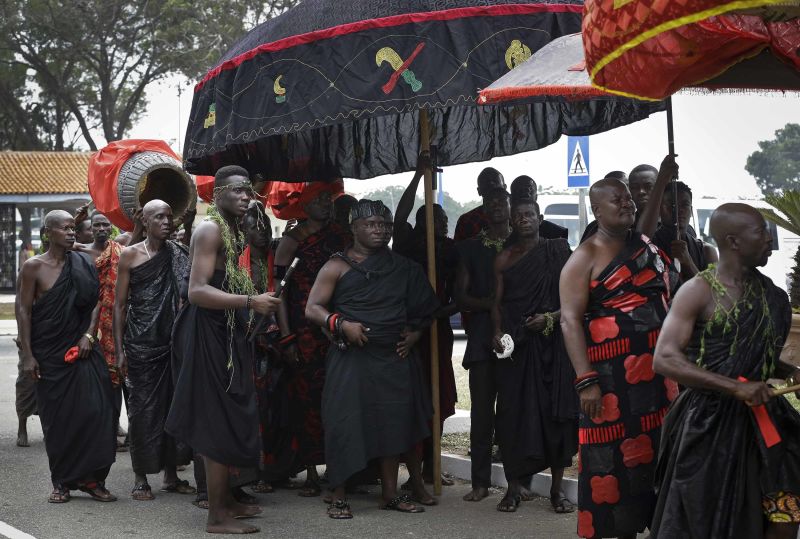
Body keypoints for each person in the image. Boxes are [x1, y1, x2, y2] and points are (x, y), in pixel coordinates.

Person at [651, 203, 800, 539]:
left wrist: (791, 371)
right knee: (709, 524)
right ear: (733, 241)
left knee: (785, 519)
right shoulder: (698, 291)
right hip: (707, 427)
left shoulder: (773, 296)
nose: (769, 241)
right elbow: (665, 359)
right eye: (761, 233)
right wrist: (733, 386)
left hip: (767, 426)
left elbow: (757, 354)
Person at [559, 156, 679, 539]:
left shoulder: (640, 241)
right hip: (610, 385)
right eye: (617, 200)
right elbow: (569, 321)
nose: (627, 203)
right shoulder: (584, 258)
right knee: (616, 464)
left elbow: (646, 225)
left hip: (659, 379)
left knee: (660, 456)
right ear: (596, 208)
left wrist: (662, 179)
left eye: (628, 198)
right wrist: (585, 381)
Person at [306, 199, 439, 519]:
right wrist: (341, 324)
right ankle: (338, 494)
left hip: (393, 356)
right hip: (351, 357)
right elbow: (313, 308)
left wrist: (416, 334)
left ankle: (390, 494)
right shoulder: (337, 265)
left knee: (393, 424)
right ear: (354, 229)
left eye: (385, 225)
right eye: (371, 225)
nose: (380, 231)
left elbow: (426, 310)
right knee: (345, 423)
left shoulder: (404, 267)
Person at [165, 165, 281, 534]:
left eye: (249, 191)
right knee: (216, 420)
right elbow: (196, 291)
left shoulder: (233, 230)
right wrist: (250, 301)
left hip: (226, 332)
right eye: (237, 190)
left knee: (232, 415)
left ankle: (228, 499)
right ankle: (216, 515)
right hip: (206, 335)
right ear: (217, 195)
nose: (246, 196)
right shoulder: (211, 228)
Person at [15, 210, 117, 504]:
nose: (72, 233)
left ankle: (93, 480)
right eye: (65, 228)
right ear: (49, 233)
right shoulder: (33, 267)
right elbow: (24, 310)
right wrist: (28, 356)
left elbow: (96, 302)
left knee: (100, 413)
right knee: (58, 421)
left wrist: (88, 335)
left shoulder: (83, 262)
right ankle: (61, 482)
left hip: (83, 348)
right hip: (49, 355)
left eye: (74, 228)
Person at [491, 198, 578, 514]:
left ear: (540, 218)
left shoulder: (558, 251)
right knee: (513, 415)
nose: (524, 219)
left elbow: (576, 297)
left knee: (555, 417)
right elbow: (496, 304)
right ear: (512, 222)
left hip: (554, 344)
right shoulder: (504, 258)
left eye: (529, 214)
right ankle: (512, 489)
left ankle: (557, 491)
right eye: (518, 216)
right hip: (518, 343)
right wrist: (497, 333)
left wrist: (550, 318)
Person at [114, 200, 193, 501]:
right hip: (141, 344)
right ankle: (140, 476)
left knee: (174, 408)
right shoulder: (130, 256)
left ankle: (171, 475)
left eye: (168, 216)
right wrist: (120, 349)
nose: (166, 222)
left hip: (174, 342)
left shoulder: (179, 253)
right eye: (158, 217)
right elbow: (120, 306)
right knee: (143, 411)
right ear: (144, 222)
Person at [273, 186, 350, 497]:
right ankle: (310, 472)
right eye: (318, 199)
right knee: (306, 402)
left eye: (326, 199)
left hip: (337, 327)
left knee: (337, 399)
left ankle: (339, 467)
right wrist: (287, 336)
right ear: (303, 204)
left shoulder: (339, 235)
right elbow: (279, 292)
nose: (324, 204)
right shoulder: (293, 240)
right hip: (303, 330)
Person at [392, 160, 459, 486]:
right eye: (437, 219)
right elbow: (400, 215)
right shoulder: (407, 242)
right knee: (414, 396)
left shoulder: (449, 249)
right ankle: (415, 468)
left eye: (445, 219)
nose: (443, 223)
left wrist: (441, 312)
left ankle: (433, 463)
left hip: (438, 328)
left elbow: (460, 290)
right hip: (410, 329)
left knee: (440, 395)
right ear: (424, 223)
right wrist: (418, 175)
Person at [454, 187, 511, 502]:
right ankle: (480, 483)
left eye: (502, 201)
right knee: (482, 414)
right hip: (479, 338)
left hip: (517, 338)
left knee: (514, 411)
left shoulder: (523, 243)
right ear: (483, 210)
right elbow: (460, 296)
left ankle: (518, 482)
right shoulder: (469, 249)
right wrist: (489, 305)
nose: (497, 207)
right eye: (491, 202)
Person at [651, 181, 718, 283]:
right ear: (659, 209)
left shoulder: (706, 251)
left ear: (691, 211)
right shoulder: (649, 247)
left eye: (685, 205)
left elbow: (715, 295)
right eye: (671, 205)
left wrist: (688, 263)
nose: (678, 210)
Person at [580, 166, 652, 244]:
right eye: (617, 200)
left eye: (628, 197)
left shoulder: (632, 221)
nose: (625, 203)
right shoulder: (594, 231)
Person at [454, 167, 506, 241]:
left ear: (505, 187)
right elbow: (457, 250)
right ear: (479, 191)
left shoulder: (517, 216)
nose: (491, 184)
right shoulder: (466, 221)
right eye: (486, 182)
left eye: (495, 181)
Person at [509, 175, 569, 240]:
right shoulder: (501, 230)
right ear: (511, 198)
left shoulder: (557, 234)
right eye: (520, 191)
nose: (525, 194)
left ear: (536, 197)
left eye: (529, 191)